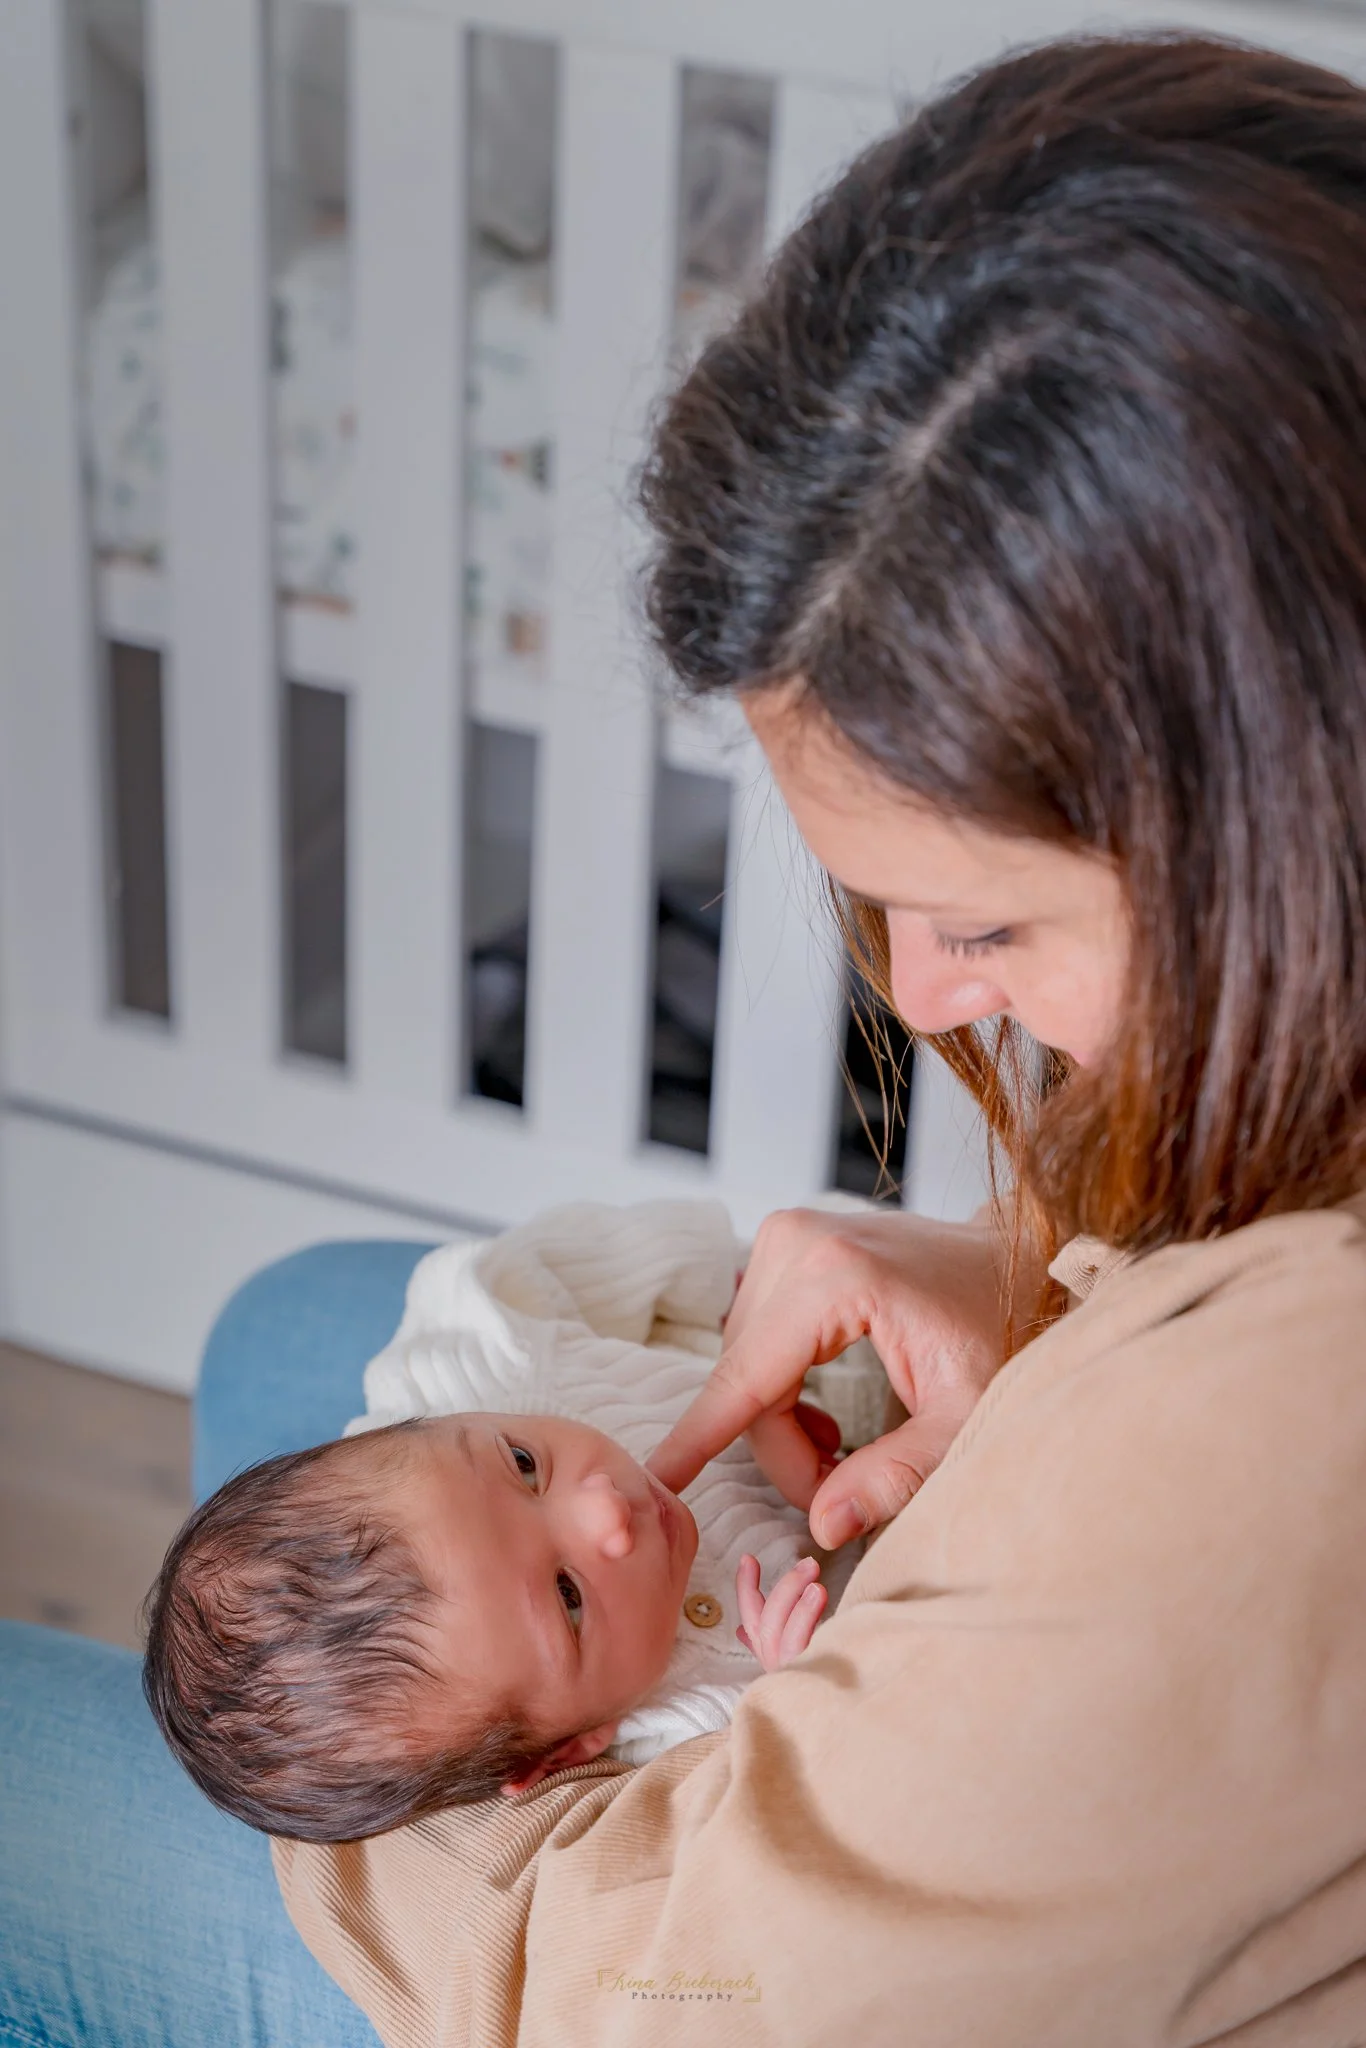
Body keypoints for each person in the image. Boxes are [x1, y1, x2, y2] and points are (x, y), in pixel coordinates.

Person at [6, 25, 1366, 2048]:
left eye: (979, 918)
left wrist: (409, 1786)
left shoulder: (1279, 1421)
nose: (912, 1001)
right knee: (291, 1325)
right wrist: (1034, 1285)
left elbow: (698, 1999)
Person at [140, 1201, 850, 1842]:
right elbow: (783, 1822)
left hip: (840, 1303)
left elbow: (506, 1274)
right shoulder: (683, 1741)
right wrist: (800, 1691)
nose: (606, 1507)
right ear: (565, 1750)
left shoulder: (480, 1383)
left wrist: (731, 1289)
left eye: (524, 1465)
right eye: (569, 1597)